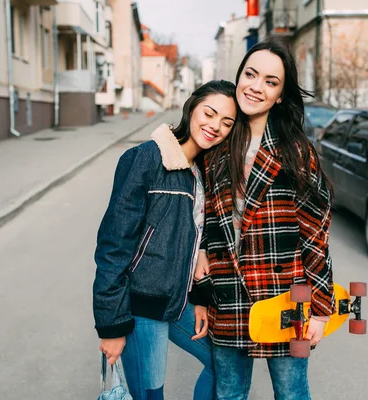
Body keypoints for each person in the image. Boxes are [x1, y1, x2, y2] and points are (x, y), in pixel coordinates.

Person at [192, 36, 336, 400]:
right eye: (250, 74)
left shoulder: (295, 149)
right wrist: (200, 252)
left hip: (288, 299)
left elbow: (316, 233)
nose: (256, 87)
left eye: (270, 82)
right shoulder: (217, 143)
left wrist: (319, 309)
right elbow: (202, 213)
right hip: (228, 295)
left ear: (281, 95)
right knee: (229, 394)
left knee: (292, 393)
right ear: (239, 76)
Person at [93, 80, 244, 400]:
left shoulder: (204, 170)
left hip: (178, 301)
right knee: (151, 395)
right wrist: (112, 325)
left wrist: (200, 299)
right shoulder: (147, 158)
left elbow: (196, 240)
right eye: (210, 113)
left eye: (226, 122)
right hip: (142, 304)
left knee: (226, 365)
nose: (215, 126)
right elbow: (114, 244)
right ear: (192, 108)